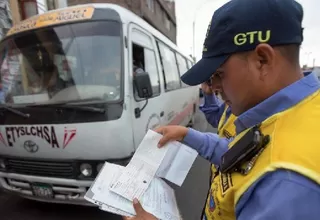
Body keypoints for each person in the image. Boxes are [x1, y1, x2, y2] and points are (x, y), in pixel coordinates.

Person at [123, 0, 320, 220]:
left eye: (219, 74)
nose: (213, 87)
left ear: (262, 61)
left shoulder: (286, 184)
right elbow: (241, 153)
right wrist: (187, 134)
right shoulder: (287, 113)